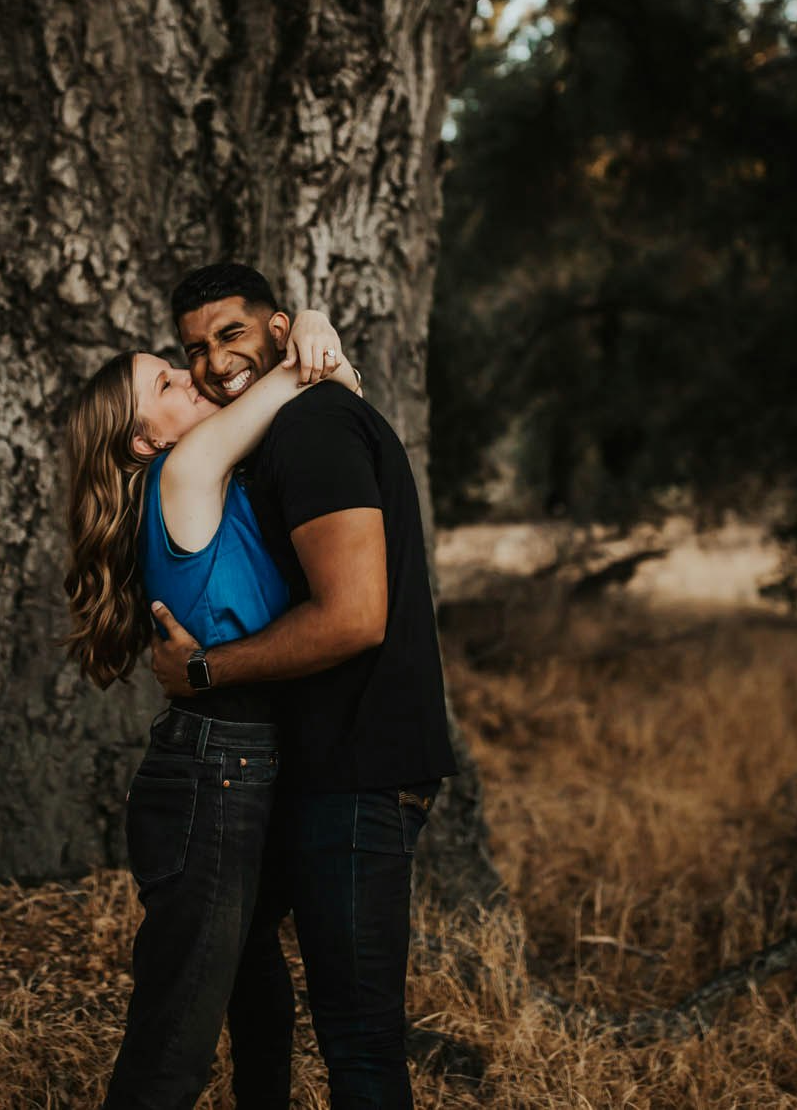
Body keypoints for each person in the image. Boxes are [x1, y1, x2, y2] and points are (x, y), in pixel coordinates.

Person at [150, 263, 457, 1110]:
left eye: (231, 334)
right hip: (308, 763)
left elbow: (354, 617)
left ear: (281, 330)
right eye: (193, 350)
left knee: (358, 1039)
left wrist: (202, 670)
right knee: (246, 964)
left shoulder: (313, 427)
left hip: (359, 764)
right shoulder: (283, 422)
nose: (212, 363)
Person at [61, 308, 360, 1110]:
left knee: (257, 993)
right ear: (141, 441)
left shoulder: (208, 480)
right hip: (214, 771)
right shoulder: (186, 473)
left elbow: (328, 390)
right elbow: (303, 375)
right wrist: (314, 326)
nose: (191, 376)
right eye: (166, 382)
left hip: (234, 764)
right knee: (175, 1037)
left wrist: (320, 334)